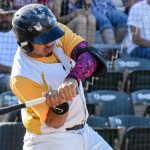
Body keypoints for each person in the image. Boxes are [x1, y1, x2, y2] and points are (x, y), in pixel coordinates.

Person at [10, 4, 112, 150]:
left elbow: (90, 56)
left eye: (51, 36)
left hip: (84, 131)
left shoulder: (54, 31)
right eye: (42, 39)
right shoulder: (21, 77)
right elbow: (54, 122)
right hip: (50, 140)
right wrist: (59, 104)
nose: (50, 42)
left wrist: (73, 78)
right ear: (25, 44)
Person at [0, 8, 18, 93]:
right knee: (15, 83)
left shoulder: (20, 34)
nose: (4, 19)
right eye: (1, 16)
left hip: (20, 74)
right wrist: (16, 70)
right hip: (3, 78)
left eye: (7, 15)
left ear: (12, 16)